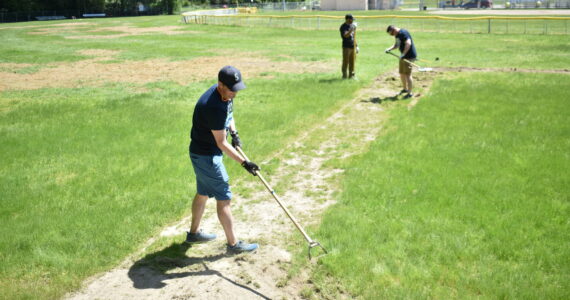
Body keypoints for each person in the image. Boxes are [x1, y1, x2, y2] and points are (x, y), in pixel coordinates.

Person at [186, 65, 260, 254]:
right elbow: (221, 143)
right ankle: (233, 245)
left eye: (237, 89)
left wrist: (234, 133)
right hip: (206, 156)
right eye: (232, 89)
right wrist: (245, 163)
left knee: (203, 192)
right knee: (224, 197)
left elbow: (229, 113)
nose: (235, 94)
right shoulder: (212, 106)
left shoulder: (225, 94)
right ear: (220, 85)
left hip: (202, 153)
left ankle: (193, 234)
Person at [385, 25, 417, 99]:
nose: (392, 35)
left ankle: (410, 93)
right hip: (403, 56)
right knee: (402, 73)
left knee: (407, 74)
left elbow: (408, 43)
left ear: (394, 30)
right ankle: (405, 89)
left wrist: (403, 54)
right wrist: (389, 49)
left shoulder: (403, 33)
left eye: (392, 34)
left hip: (409, 56)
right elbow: (397, 45)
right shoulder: (397, 35)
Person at [339, 14, 358, 79]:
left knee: (352, 62)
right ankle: (344, 76)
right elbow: (346, 35)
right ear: (347, 19)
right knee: (345, 62)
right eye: (352, 19)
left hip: (353, 46)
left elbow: (354, 36)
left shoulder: (351, 25)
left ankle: (351, 76)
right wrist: (351, 29)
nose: (352, 21)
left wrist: (357, 46)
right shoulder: (343, 27)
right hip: (346, 47)